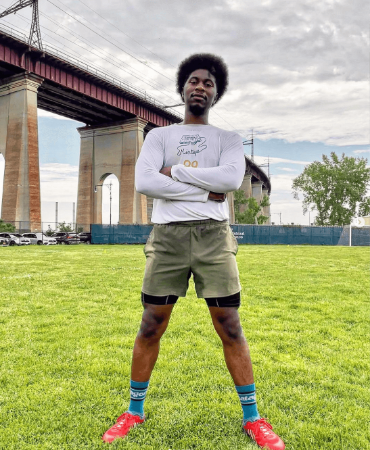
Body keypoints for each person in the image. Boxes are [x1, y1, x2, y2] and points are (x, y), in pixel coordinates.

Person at [102, 53, 285, 450]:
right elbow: (145, 183)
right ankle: (134, 411)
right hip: (167, 237)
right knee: (152, 322)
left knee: (230, 325)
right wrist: (206, 188)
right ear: (182, 88)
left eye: (208, 83)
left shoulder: (228, 140)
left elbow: (232, 179)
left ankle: (253, 419)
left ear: (215, 94)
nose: (200, 86)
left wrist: (176, 173)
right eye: (194, 81)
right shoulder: (159, 137)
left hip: (213, 238)